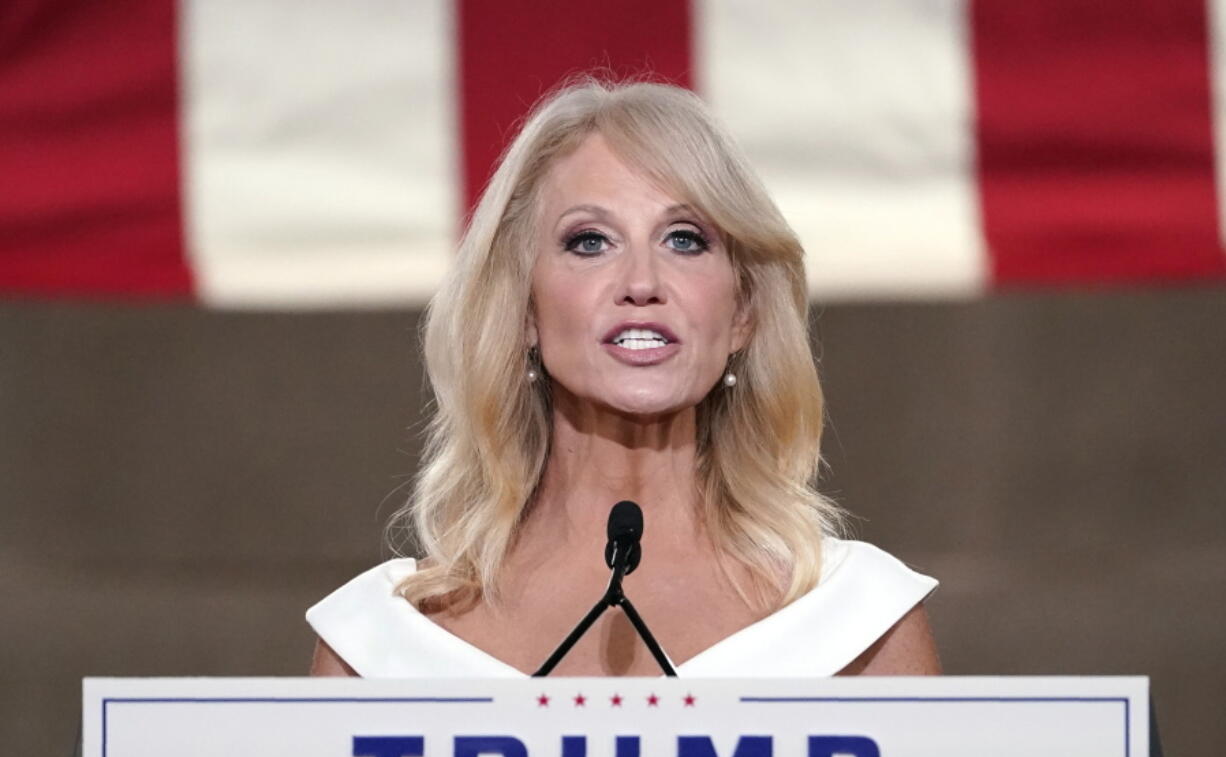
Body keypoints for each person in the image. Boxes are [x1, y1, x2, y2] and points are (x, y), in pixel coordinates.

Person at [307, 79, 939, 678]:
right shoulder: (385, 646)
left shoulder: (857, 627)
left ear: (742, 313)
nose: (642, 284)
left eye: (685, 240)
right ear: (524, 310)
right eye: (590, 241)